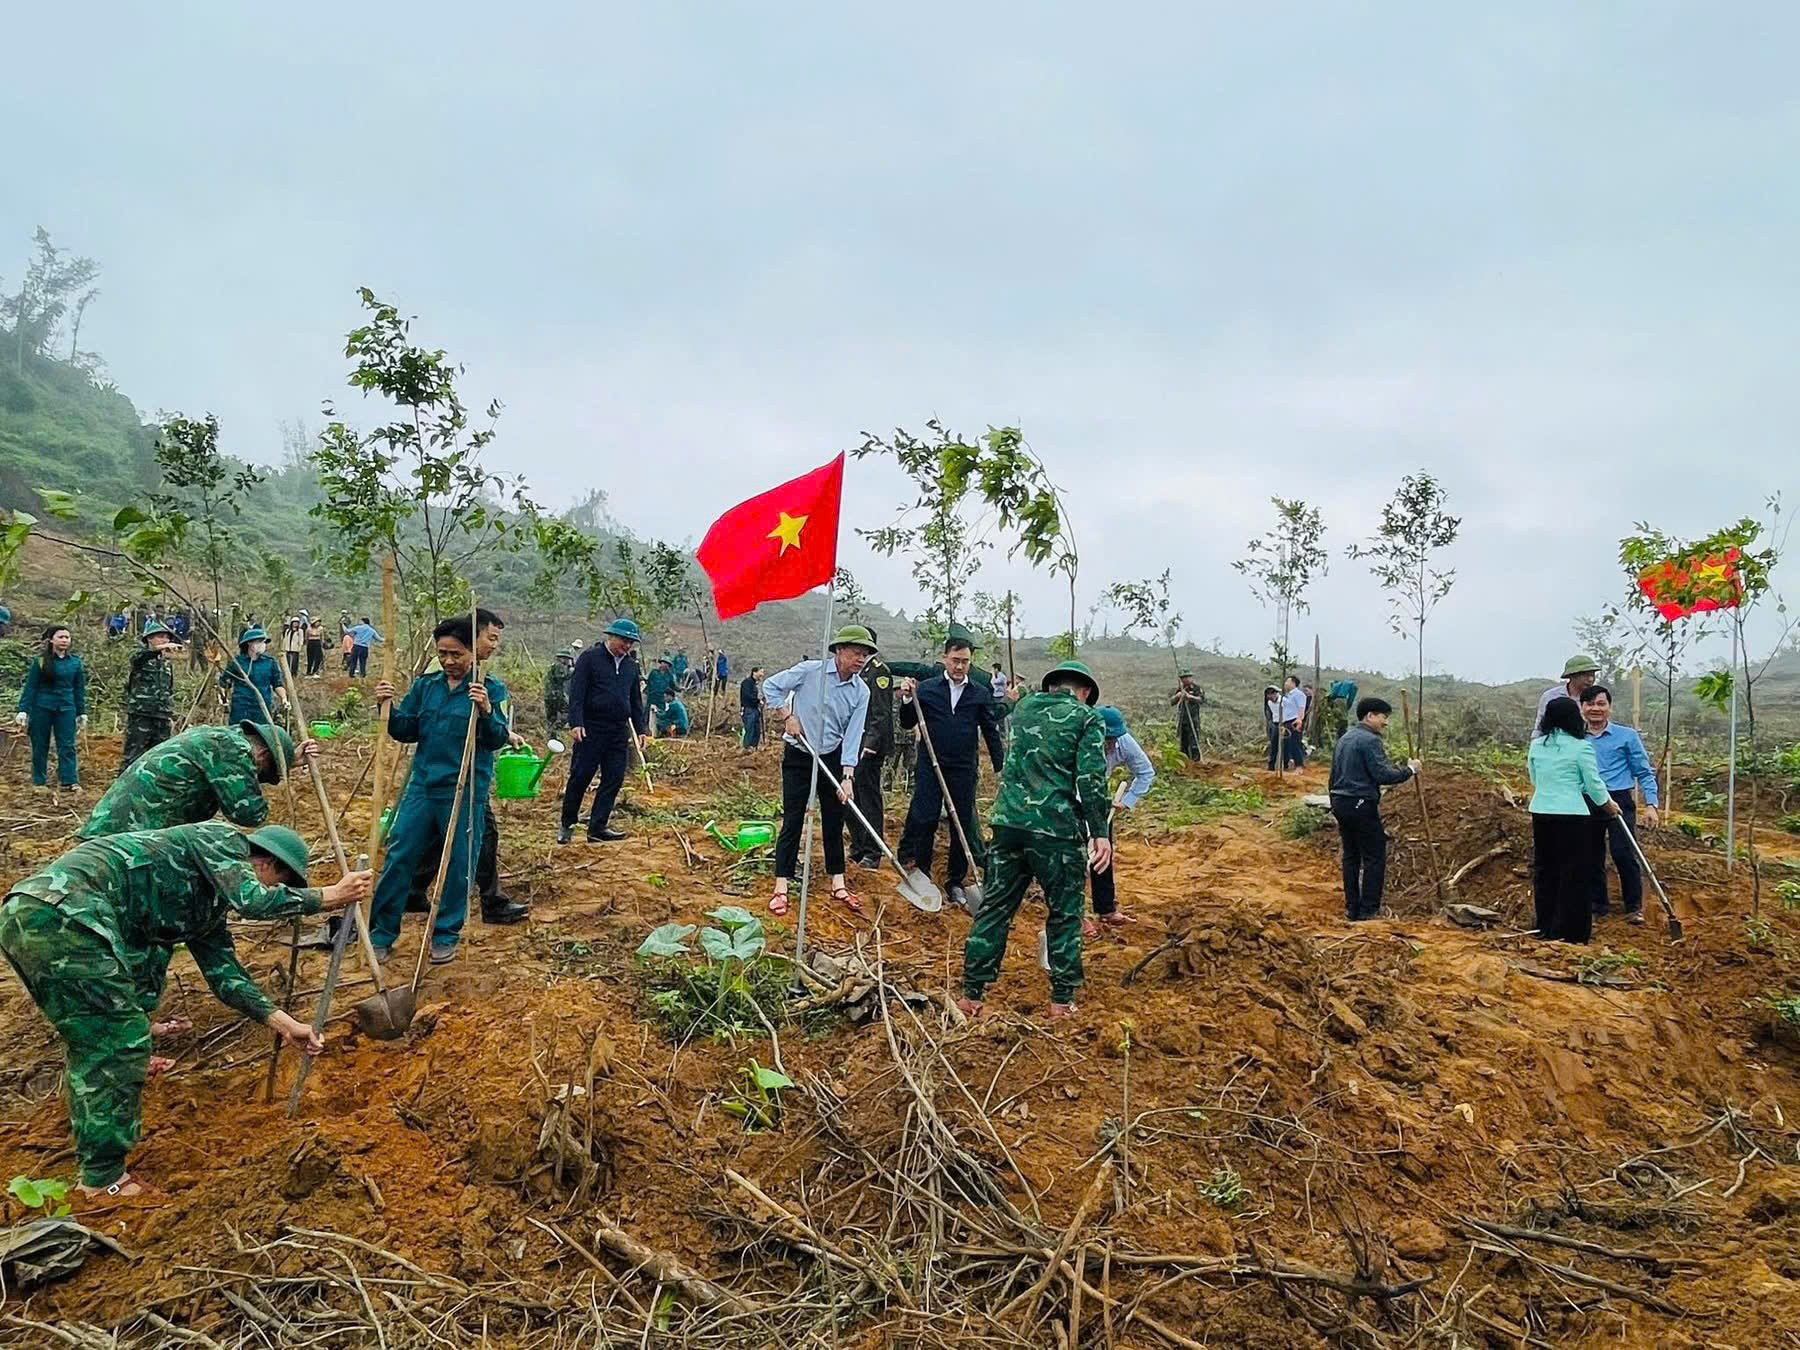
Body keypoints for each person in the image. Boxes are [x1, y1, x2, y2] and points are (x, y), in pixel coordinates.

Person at [0, 821, 371, 1200]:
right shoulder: (222, 839)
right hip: (65, 914)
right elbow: (253, 901)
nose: (274, 891)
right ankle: (103, 1182)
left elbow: (225, 975)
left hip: (38, 916)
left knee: (95, 1037)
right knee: (119, 1040)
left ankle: (93, 1146)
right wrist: (327, 896)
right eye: (279, 882)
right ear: (264, 864)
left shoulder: (206, 904)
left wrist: (282, 1022)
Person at [959, 661, 1110, 1020]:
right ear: (1085, 692)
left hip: (1008, 823)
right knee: (1064, 913)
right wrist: (1100, 832)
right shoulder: (1089, 718)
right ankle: (1061, 1001)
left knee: (995, 908)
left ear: (1053, 685)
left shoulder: (1024, 707)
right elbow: (1090, 779)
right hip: (1055, 829)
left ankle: (971, 995)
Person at [370, 615, 512, 965]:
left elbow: (496, 738)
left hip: (464, 790)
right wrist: (386, 706)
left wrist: (486, 710)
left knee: (459, 864)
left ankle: (446, 934)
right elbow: (405, 730)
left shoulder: (490, 689)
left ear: (472, 653)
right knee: (400, 856)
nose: (449, 661)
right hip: (423, 786)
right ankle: (381, 933)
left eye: (457, 654)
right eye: (443, 653)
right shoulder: (427, 686)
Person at [406, 609, 529, 927]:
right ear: (471, 638)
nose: (494, 645)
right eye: (491, 637)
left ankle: (413, 890)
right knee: (481, 831)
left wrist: (505, 731)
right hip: (453, 771)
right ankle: (492, 902)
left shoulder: (479, 675)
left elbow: (479, 719)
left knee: (442, 831)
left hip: (459, 769)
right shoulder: (449, 672)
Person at [761, 626, 875, 918]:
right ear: (839, 651)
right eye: (856, 653)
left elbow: (853, 734)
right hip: (799, 754)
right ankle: (782, 886)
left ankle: (838, 883)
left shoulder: (861, 691)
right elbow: (771, 686)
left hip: (832, 757)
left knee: (834, 820)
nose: (860, 659)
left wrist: (847, 776)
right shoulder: (810, 672)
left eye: (865, 654)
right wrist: (788, 715)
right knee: (793, 819)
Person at [897, 625, 1005, 910]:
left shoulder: (979, 693)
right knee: (925, 818)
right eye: (955, 660)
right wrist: (908, 698)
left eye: (965, 661)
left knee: (961, 825)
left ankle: (955, 881)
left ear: (970, 662)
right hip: (931, 767)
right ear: (945, 658)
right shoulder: (929, 689)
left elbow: (990, 730)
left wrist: (999, 765)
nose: (960, 666)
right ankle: (923, 872)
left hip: (963, 769)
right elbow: (907, 721)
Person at [82, 721, 301, 841]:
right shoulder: (233, 749)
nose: (256, 777)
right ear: (262, 755)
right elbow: (249, 813)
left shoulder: (216, 738)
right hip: (128, 836)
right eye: (261, 773)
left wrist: (286, 762)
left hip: (114, 827)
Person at [1527, 696, 1619, 944]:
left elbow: (1534, 777)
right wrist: (1609, 805)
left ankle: (1546, 927)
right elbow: (1593, 784)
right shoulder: (1581, 747)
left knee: (1546, 871)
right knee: (1574, 873)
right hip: (1572, 815)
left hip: (1541, 812)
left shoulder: (1537, 746)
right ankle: (1573, 932)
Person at [1327, 697, 1421, 921]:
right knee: (1374, 856)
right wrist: (1410, 769)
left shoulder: (1345, 738)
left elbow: (1333, 776)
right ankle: (1369, 910)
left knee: (1351, 856)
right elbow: (1382, 775)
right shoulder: (1370, 741)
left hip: (1341, 802)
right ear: (1370, 716)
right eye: (1383, 717)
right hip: (1360, 804)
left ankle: (1352, 908)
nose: (1385, 722)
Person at [560, 618, 648, 845]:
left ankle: (597, 828)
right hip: (591, 728)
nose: (627, 646)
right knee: (581, 776)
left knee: (614, 778)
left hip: (618, 731)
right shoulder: (590, 659)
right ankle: (567, 825)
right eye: (624, 640)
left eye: (631, 642)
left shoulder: (631, 666)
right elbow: (577, 694)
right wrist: (576, 723)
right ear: (611, 636)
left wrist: (641, 729)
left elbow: (635, 701)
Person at [1579, 685, 1661, 925]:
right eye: (1590, 704)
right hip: (1586, 801)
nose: (1595, 709)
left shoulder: (1627, 736)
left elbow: (1644, 772)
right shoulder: (1574, 737)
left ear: (1609, 708)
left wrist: (1651, 805)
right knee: (1591, 855)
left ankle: (1634, 906)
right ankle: (1597, 906)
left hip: (1620, 799)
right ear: (1582, 707)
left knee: (1624, 852)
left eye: (1601, 704)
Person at [1089, 705, 1155, 935]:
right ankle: (1073, 915)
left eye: (1113, 738)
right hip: (1067, 797)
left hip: (1097, 799)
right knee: (1071, 856)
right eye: (1106, 738)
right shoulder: (1077, 739)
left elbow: (1145, 771)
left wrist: (1128, 800)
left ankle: (1106, 909)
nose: (1110, 743)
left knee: (1102, 854)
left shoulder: (1123, 741)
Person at [17, 625, 88, 794]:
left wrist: (81, 712)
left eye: (67, 637)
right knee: (40, 744)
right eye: (61, 637)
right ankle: (39, 781)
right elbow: (31, 687)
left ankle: (69, 780)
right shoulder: (40, 661)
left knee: (67, 745)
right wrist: (23, 710)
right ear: (51, 640)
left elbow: (78, 689)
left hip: (66, 708)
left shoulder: (75, 662)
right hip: (42, 707)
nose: (64, 640)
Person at [851, 629, 894, 869]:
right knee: (851, 797)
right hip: (853, 744)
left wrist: (870, 745)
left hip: (870, 747)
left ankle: (872, 851)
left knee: (868, 798)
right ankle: (857, 847)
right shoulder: (857, 673)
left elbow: (881, 713)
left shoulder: (879, 672)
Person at [118, 620, 181, 775]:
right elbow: (138, 658)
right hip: (142, 713)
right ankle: (124, 786)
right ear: (149, 638)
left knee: (160, 754)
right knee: (134, 753)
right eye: (160, 637)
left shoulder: (166, 663)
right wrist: (156, 650)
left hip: (162, 714)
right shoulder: (140, 656)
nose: (165, 640)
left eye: (167, 637)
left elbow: (169, 687)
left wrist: (170, 711)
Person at [220, 626, 285, 726]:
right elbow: (224, 682)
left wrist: (284, 698)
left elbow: (277, 684)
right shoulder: (237, 662)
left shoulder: (270, 662)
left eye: (263, 642)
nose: (262, 645)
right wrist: (222, 697)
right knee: (238, 733)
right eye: (259, 641)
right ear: (249, 643)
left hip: (262, 706)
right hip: (241, 706)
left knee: (261, 734)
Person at [1532, 655, 1600, 740]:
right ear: (1572, 676)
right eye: (1585, 675)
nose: (1590, 679)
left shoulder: (1597, 698)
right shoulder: (1551, 696)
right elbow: (1540, 726)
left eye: (1592, 675)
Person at [1170, 671, 1204, 762]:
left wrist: (1189, 697)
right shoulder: (1180, 689)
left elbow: (1200, 700)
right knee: (1183, 742)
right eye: (1183, 678)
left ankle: (1195, 761)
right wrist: (1178, 696)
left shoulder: (1197, 688)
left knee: (1193, 741)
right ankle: (1185, 761)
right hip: (1183, 719)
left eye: (1187, 677)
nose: (1185, 679)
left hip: (1193, 718)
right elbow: (1172, 702)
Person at [1279, 675, 1308, 769]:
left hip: (1294, 721)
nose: (1285, 684)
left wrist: (1299, 720)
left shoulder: (1299, 694)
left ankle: (1299, 766)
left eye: (1287, 681)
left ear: (1293, 683)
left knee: (1295, 744)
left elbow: (1301, 708)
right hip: (1286, 722)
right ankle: (1286, 766)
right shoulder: (1289, 696)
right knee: (1287, 745)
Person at [543, 646, 576, 729]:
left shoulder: (554, 666)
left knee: (551, 716)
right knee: (569, 710)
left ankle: (551, 733)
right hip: (556, 695)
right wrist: (572, 672)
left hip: (550, 694)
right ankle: (555, 728)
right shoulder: (559, 666)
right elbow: (561, 677)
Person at [740, 665, 765, 749]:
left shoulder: (755, 684)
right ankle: (747, 748)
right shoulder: (747, 683)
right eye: (761, 672)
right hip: (748, 709)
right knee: (750, 729)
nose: (762, 674)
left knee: (756, 729)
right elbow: (747, 696)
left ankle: (754, 747)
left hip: (755, 709)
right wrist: (758, 701)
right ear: (754, 672)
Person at [1262, 685, 1282, 770]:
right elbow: (1269, 716)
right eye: (1269, 694)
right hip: (1275, 724)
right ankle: (1271, 765)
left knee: (1286, 746)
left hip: (1285, 724)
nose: (1271, 696)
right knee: (1273, 745)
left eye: (1273, 693)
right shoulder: (1269, 703)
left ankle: (1285, 764)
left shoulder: (1283, 701)